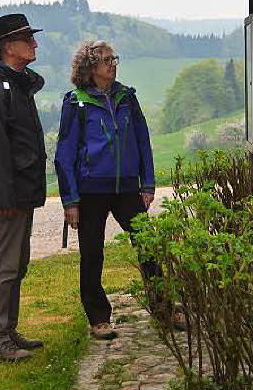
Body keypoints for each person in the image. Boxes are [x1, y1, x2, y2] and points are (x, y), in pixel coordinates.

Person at [55, 40, 178, 340]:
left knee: (148, 246)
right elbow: (65, 154)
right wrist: (70, 199)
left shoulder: (127, 98)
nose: (113, 64)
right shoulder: (76, 102)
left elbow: (142, 141)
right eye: (107, 59)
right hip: (90, 191)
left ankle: (164, 309)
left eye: (114, 58)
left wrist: (147, 184)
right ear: (90, 67)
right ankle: (99, 318)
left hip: (127, 189)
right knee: (92, 255)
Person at [0, 14, 47, 362]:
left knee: (17, 264)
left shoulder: (17, 83)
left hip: (20, 192)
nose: (34, 43)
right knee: (2, 266)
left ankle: (7, 330)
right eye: (26, 38)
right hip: (7, 196)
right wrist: (3, 196)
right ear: (7, 46)